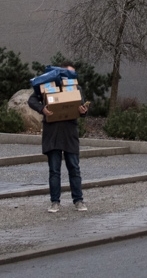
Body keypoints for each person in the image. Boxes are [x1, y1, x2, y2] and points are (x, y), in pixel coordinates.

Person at [27, 65, 91, 214]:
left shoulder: (76, 88)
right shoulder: (48, 86)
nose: (70, 75)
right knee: (54, 170)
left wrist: (83, 111)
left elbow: (81, 107)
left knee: (74, 168)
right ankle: (55, 202)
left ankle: (78, 200)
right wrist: (42, 109)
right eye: (68, 72)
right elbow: (31, 100)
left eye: (72, 72)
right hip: (52, 134)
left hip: (69, 133)